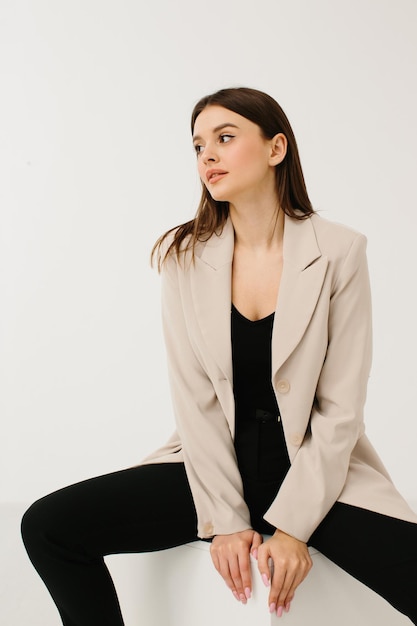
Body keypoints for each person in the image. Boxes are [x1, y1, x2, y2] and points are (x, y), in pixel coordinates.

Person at [21, 87, 417, 625]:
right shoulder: (184, 257)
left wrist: (294, 527)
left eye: (225, 139)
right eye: (198, 145)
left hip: (311, 471)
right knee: (48, 527)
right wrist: (226, 519)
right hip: (212, 469)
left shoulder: (340, 251)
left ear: (276, 149)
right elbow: (196, 400)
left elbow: (341, 408)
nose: (207, 155)